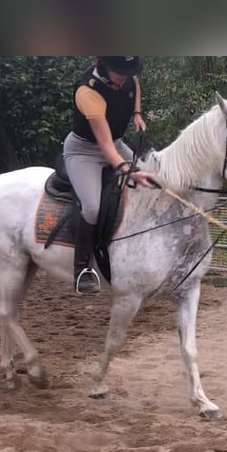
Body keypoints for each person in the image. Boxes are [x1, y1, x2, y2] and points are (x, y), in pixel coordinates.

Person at [63, 55, 157, 294]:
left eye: (127, 70)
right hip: (84, 151)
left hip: (115, 142)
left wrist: (137, 113)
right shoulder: (88, 92)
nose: (124, 75)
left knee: (151, 182)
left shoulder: (126, 75)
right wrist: (128, 170)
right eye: (119, 71)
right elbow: (106, 148)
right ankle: (83, 270)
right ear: (102, 66)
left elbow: (135, 84)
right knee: (92, 207)